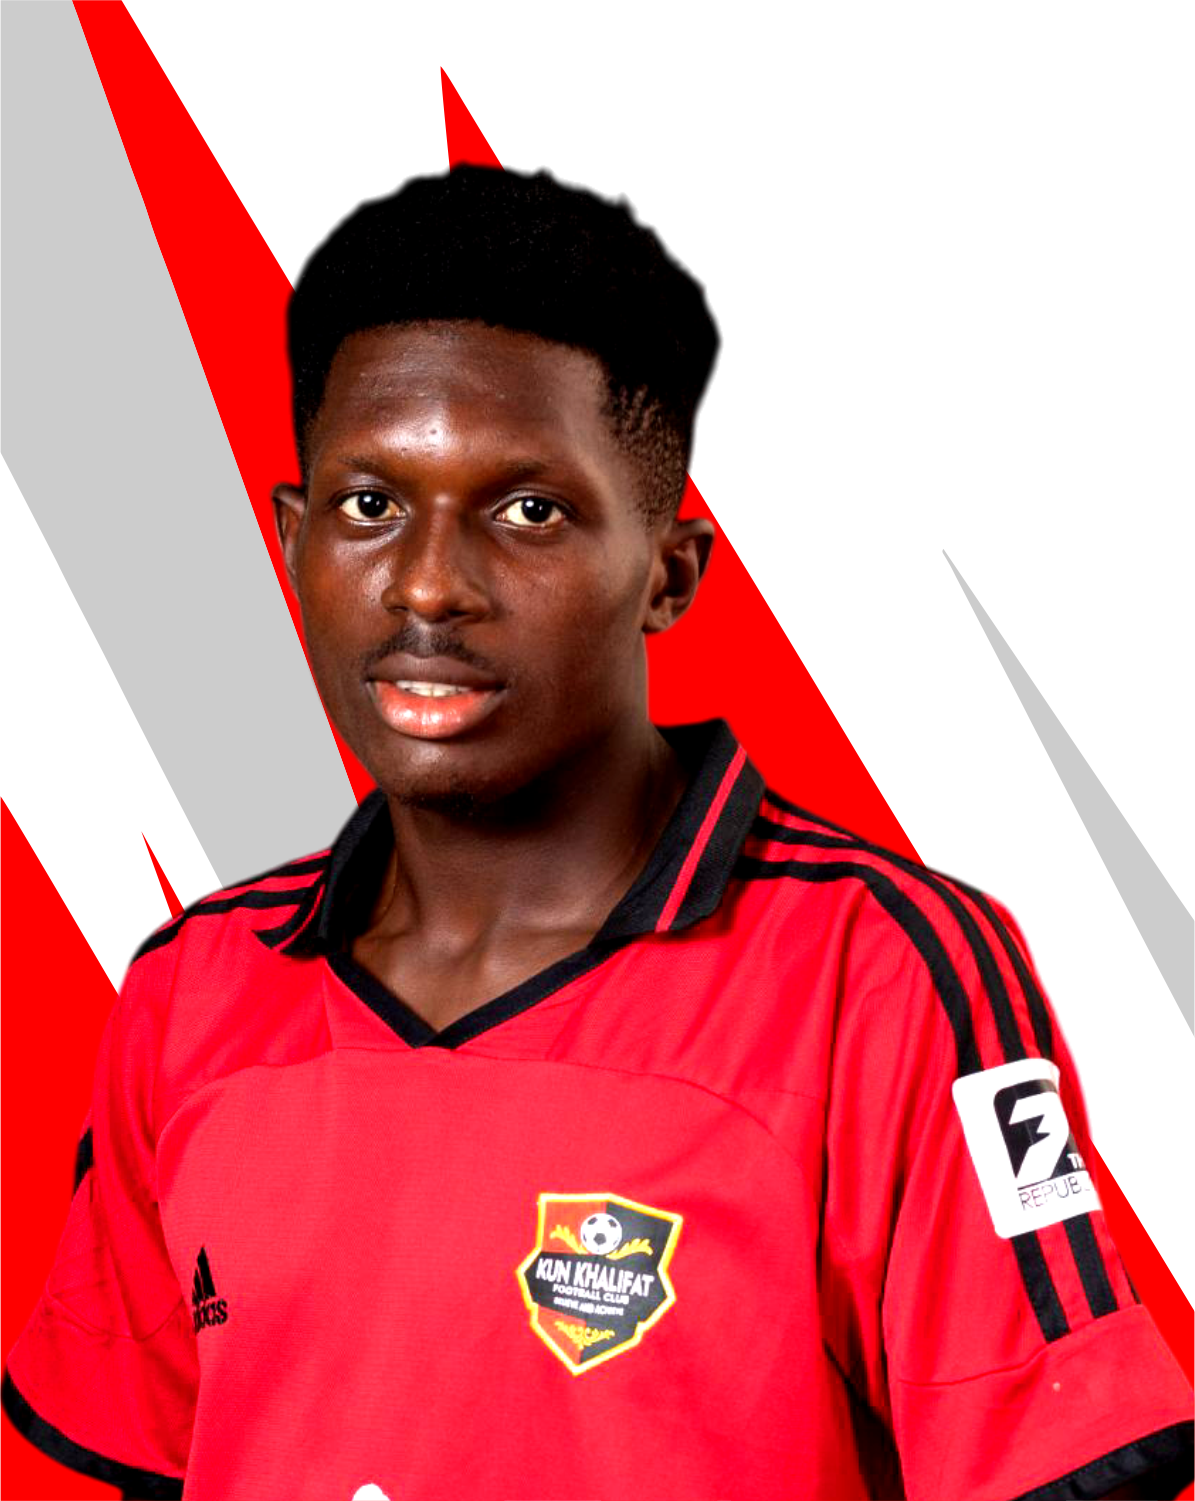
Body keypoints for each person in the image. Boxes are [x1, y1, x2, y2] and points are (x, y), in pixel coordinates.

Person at [3, 164, 1191, 1501]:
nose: (427, 586)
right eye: (369, 505)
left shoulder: (881, 974)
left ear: (668, 574)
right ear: (293, 540)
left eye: (529, 511)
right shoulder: (191, 992)